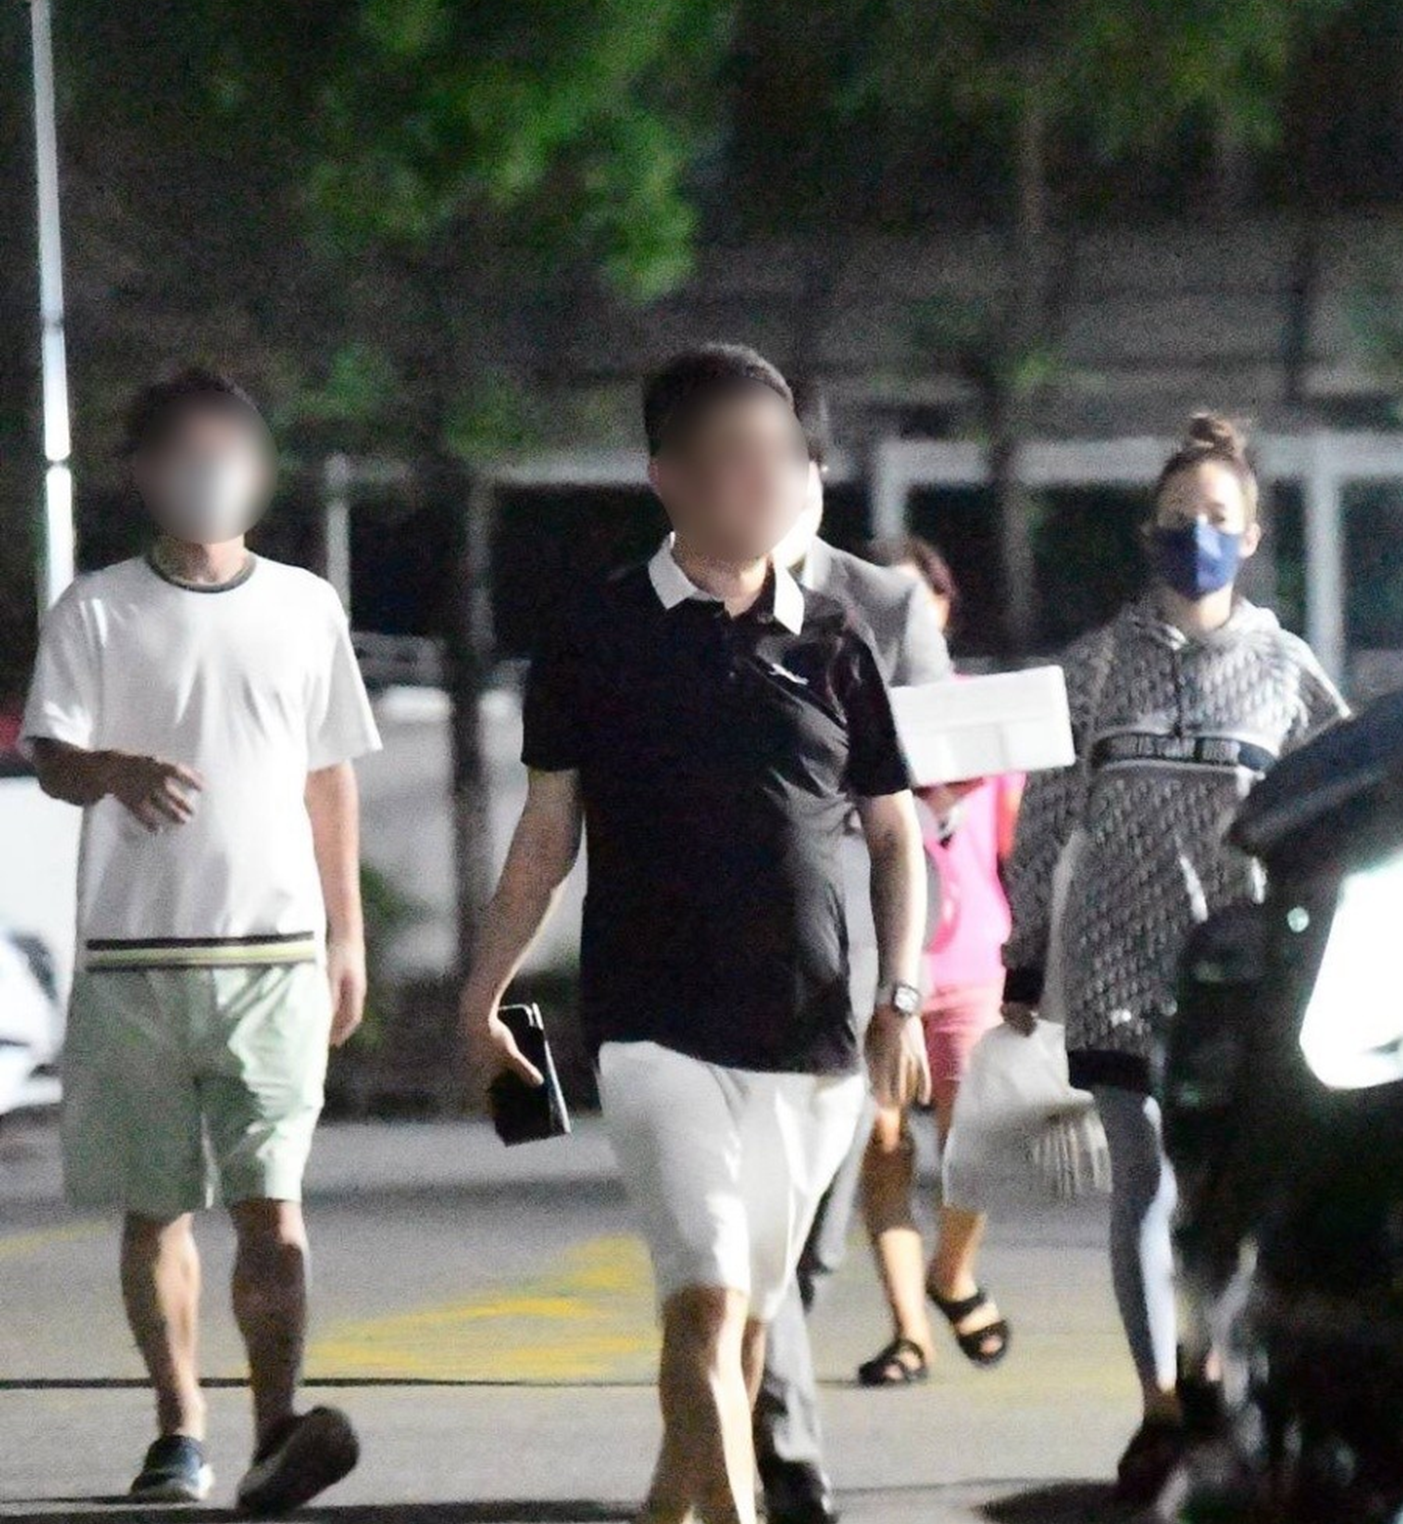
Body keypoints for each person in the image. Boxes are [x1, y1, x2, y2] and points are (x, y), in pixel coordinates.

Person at [460, 345, 932, 1524]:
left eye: (779, 455)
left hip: (812, 1041)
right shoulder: (595, 633)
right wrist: (484, 992)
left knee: (750, 1326)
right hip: (653, 1028)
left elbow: (893, 838)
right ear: (665, 475)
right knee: (706, 1306)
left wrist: (900, 997)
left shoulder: (836, 639)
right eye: (731, 456)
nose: (762, 478)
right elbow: (546, 832)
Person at [22, 370, 381, 1513]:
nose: (207, 471)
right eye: (183, 452)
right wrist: (112, 769)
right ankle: (180, 1428)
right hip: (135, 957)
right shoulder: (97, 610)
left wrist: (346, 935)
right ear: (141, 473)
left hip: (273, 954)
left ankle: (278, 1427)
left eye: (228, 450)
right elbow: (50, 756)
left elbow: (329, 776)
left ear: (259, 470)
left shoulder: (306, 607)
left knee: (273, 1203)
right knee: (157, 1207)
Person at [1000, 413, 1348, 1506]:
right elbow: (1043, 820)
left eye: (1215, 517)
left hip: (1241, 977)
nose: (1195, 533)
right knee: (1141, 1184)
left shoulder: (1286, 670)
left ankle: (1208, 1371)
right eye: (1176, 516)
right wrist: (1023, 955)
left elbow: (1338, 804)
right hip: (1114, 965)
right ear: (1148, 531)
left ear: (1249, 537)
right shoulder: (1094, 667)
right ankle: (1157, 1405)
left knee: (1226, 1193)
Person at [754, 386, 950, 1524]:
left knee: (816, 1237)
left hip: (860, 956)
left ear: (816, 474)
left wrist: (903, 986)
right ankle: (782, 1453)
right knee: (762, 1228)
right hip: (736, 954)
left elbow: (935, 782)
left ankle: (745, 1398)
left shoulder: (881, 602)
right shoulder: (688, 598)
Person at [854, 537, 1021, 1386]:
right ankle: (908, 1332)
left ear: (943, 609)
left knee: (974, 1144)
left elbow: (1016, 848)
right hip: (869, 965)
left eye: (911, 602)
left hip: (967, 962)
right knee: (881, 1145)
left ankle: (950, 1272)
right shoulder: (837, 706)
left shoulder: (977, 714)